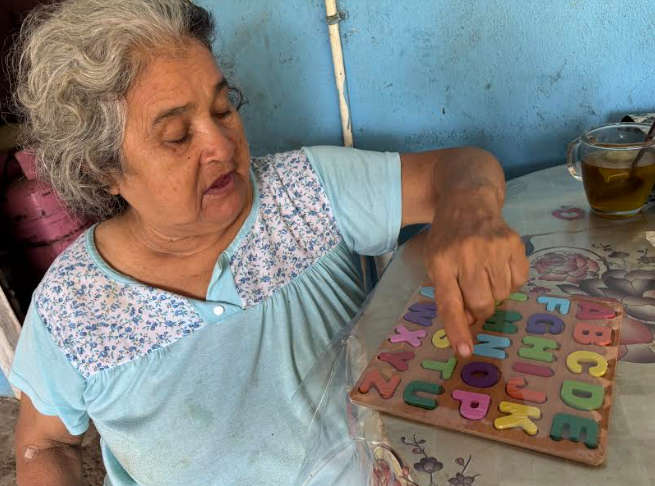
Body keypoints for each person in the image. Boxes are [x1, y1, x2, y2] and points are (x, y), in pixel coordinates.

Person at [7, 0, 529, 484]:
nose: (221, 145)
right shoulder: (74, 306)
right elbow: (44, 444)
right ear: (102, 170)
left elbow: (460, 168)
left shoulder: (305, 193)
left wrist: (468, 211)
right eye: (177, 136)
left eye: (222, 108)